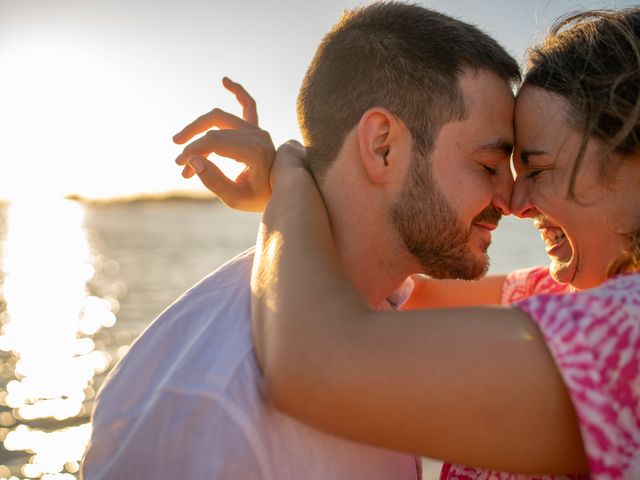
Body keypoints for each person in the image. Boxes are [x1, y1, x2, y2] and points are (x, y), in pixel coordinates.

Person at [81, 3, 521, 479]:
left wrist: (291, 172)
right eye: (488, 166)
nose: (512, 199)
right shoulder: (211, 407)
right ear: (382, 147)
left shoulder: (383, 307)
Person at [239, 8, 639, 479]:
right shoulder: (559, 296)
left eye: (539, 168)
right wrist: (335, 179)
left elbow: (313, 363)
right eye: (498, 167)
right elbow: (407, 294)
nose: (515, 202)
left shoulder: (627, 332)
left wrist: (290, 173)